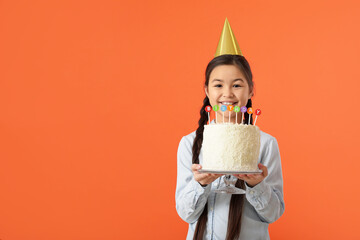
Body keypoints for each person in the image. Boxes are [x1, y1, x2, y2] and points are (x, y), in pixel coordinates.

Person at [175, 19, 284, 240]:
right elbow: (186, 213)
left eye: (237, 84)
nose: (227, 94)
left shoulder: (265, 143)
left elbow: (273, 214)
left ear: (251, 90)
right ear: (206, 90)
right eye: (218, 85)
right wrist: (201, 184)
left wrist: (257, 184)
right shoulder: (190, 143)